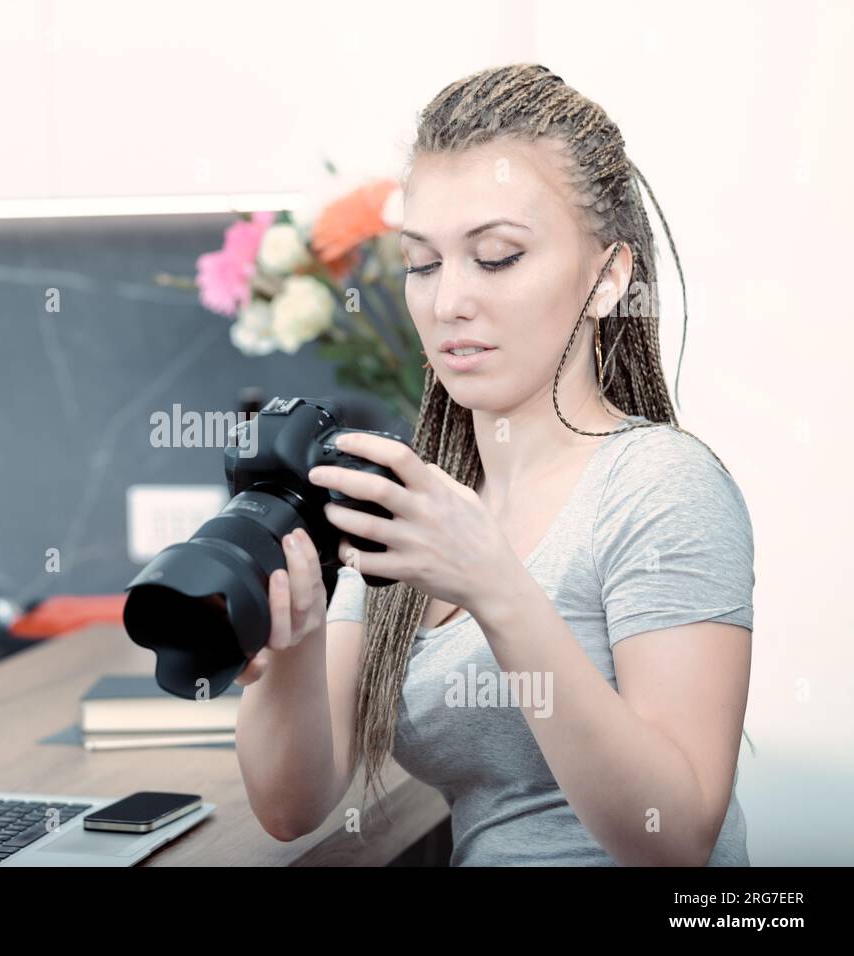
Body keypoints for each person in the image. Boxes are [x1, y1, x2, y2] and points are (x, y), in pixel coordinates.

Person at [233, 63, 754, 866]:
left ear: (608, 277)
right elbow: (291, 804)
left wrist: (495, 584)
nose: (448, 304)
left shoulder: (661, 487)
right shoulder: (410, 505)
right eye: (423, 263)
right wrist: (294, 641)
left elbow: (676, 838)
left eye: (498, 257)